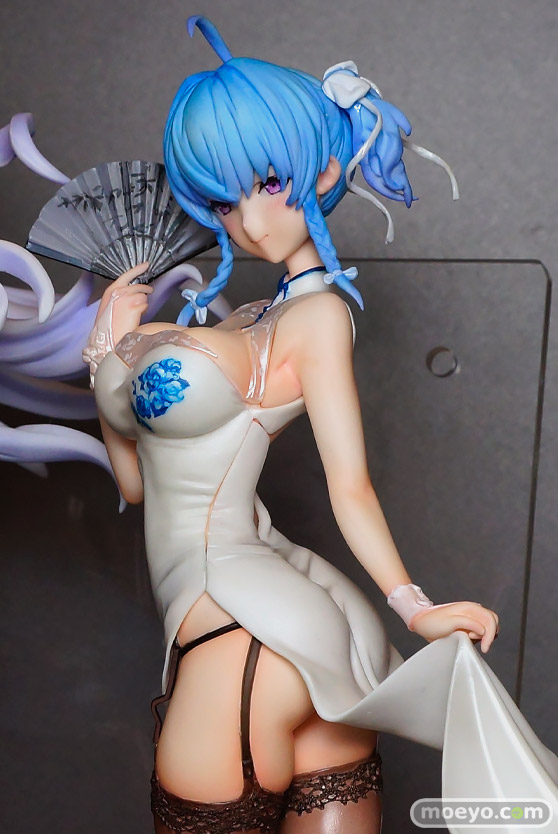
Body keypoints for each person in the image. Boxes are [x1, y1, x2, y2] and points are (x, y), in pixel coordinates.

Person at [79, 14, 558, 834]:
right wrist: (104, 353)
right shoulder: (262, 317)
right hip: (288, 621)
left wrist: (415, 607)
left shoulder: (317, 318)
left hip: (237, 631)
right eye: (224, 201)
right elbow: (135, 484)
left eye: (268, 183)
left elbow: (350, 485)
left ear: (324, 168)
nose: (250, 221)